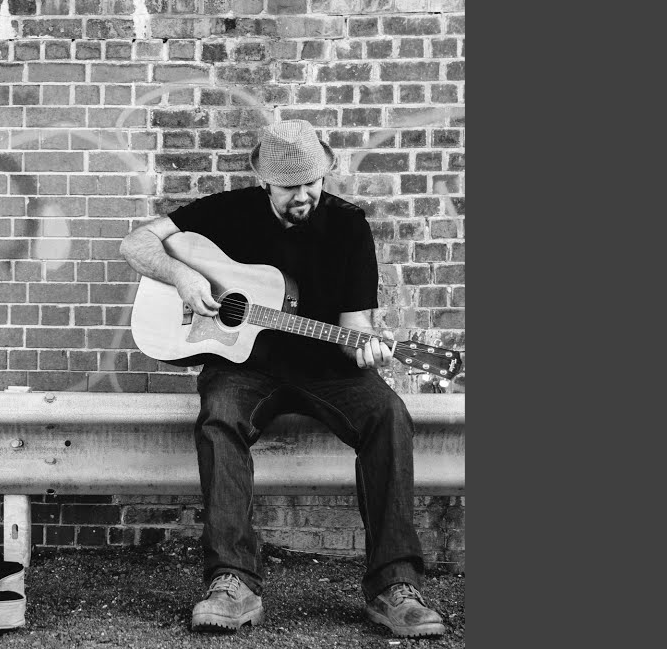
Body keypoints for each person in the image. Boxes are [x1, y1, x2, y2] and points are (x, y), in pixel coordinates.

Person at [118, 120, 446, 638]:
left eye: (312, 182)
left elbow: (354, 327)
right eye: (291, 186)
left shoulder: (348, 225)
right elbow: (136, 244)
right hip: (244, 368)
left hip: (328, 369)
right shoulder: (227, 211)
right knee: (220, 419)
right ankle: (232, 581)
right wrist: (182, 275)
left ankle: (394, 586)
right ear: (265, 181)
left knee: (388, 414)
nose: (304, 195)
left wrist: (369, 348)